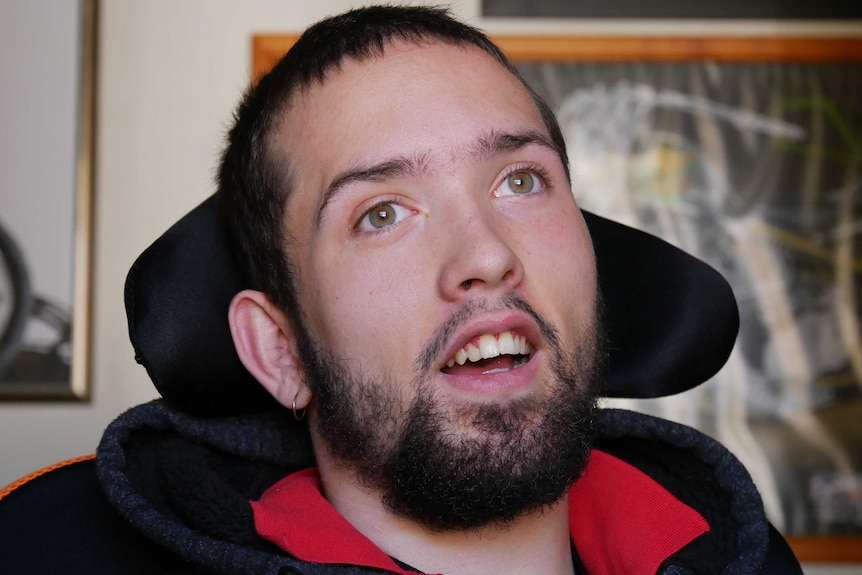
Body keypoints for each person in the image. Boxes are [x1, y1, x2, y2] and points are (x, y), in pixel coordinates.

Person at [1, 5, 802, 575]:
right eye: (383, 212)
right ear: (281, 351)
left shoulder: (746, 552)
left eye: (521, 179)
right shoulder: (45, 550)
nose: (485, 254)